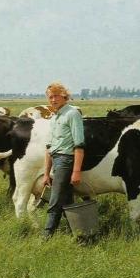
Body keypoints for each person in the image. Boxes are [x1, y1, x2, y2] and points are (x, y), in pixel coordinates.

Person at [42, 82, 85, 238]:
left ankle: (46, 237)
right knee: (67, 201)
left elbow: (79, 145)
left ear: (64, 96)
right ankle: (80, 233)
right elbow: (49, 148)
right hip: (56, 160)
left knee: (55, 201)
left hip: (66, 160)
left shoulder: (72, 114)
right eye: (50, 97)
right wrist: (46, 174)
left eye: (56, 96)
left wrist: (76, 171)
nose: (53, 100)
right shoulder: (54, 117)